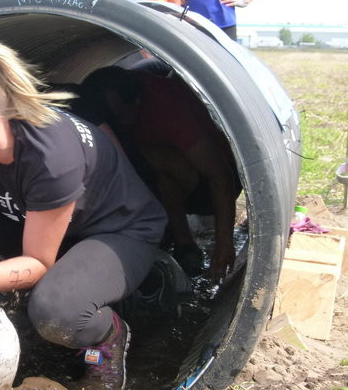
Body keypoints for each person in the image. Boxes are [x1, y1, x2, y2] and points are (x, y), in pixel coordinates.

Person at [0, 42, 167, 390]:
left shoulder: (50, 156)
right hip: (39, 221)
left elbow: (38, 261)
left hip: (117, 230)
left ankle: (108, 338)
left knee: (55, 311)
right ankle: (22, 307)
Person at [70, 65, 240, 281]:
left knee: (149, 162)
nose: (114, 125)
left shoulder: (167, 109)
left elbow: (220, 175)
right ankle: (165, 235)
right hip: (163, 180)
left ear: (136, 103)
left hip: (211, 188)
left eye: (118, 116)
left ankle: (184, 245)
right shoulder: (105, 107)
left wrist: (224, 244)